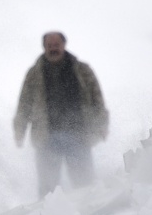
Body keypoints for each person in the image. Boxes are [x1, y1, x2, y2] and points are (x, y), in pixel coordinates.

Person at [13, 31, 108, 195]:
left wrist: (102, 124)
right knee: (48, 189)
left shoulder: (82, 70)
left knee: (85, 185)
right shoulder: (34, 74)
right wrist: (19, 130)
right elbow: (24, 104)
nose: (53, 49)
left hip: (78, 136)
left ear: (64, 45)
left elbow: (97, 99)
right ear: (44, 47)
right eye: (49, 46)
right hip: (46, 137)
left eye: (56, 45)